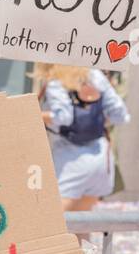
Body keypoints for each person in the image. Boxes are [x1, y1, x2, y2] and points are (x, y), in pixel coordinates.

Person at [35, 63, 130, 213]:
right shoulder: (95, 75)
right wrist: (95, 120)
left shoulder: (56, 81)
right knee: (83, 224)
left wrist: (34, 115)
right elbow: (121, 116)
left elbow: (63, 117)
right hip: (100, 158)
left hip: (70, 161)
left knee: (57, 222)